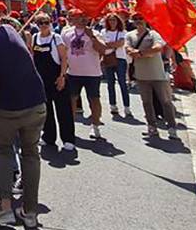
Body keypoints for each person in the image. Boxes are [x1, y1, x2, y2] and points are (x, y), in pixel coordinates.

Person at [0, 4, 47, 230]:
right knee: (31, 154)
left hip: (8, 109)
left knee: (3, 152)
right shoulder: (10, 31)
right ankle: (30, 212)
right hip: (36, 102)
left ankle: (5, 208)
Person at [126, 13, 178, 140]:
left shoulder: (154, 34)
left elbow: (158, 48)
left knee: (166, 102)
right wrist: (142, 53)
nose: (139, 21)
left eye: (141, 19)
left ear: (146, 20)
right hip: (141, 75)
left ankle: (171, 127)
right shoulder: (130, 35)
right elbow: (127, 49)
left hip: (157, 74)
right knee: (147, 102)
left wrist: (140, 53)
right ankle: (151, 126)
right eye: (136, 19)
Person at [27, 12, 74, 151]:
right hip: (42, 80)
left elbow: (64, 59)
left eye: (46, 22)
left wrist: (62, 77)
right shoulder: (35, 38)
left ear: (50, 23)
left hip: (57, 78)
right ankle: (49, 137)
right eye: (40, 23)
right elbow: (32, 57)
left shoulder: (56, 38)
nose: (43, 25)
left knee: (63, 110)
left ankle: (68, 138)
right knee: (46, 111)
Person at [62, 9, 107, 140]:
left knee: (94, 99)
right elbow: (63, 52)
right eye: (78, 16)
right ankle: (70, 126)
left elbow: (103, 50)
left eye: (84, 16)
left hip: (92, 73)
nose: (82, 19)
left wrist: (92, 36)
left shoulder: (95, 33)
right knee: (71, 99)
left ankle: (95, 125)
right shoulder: (66, 33)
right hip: (73, 73)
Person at [100, 13, 132, 117]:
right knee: (110, 83)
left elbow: (121, 43)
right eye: (110, 20)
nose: (112, 22)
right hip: (108, 59)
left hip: (120, 59)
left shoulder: (123, 32)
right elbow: (102, 45)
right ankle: (113, 105)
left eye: (114, 20)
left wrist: (109, 44)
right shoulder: (103, 32)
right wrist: (113, 44)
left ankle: (127, 107)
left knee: (122, 82)